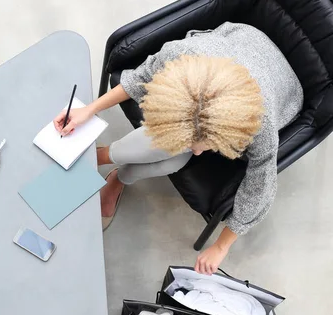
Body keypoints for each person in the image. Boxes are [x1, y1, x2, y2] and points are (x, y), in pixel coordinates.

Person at [53, 22, 303, 275]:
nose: (196, 153)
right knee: (167, 148)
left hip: (278, 90)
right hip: (236, 44)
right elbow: (139, 79)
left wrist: (221, 246)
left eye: (204, 147)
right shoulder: (181, 56)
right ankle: (107, 161)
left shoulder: (259, 121)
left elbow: (261, 187)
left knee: (173, 158)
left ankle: (115, 173)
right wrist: (89, 109)